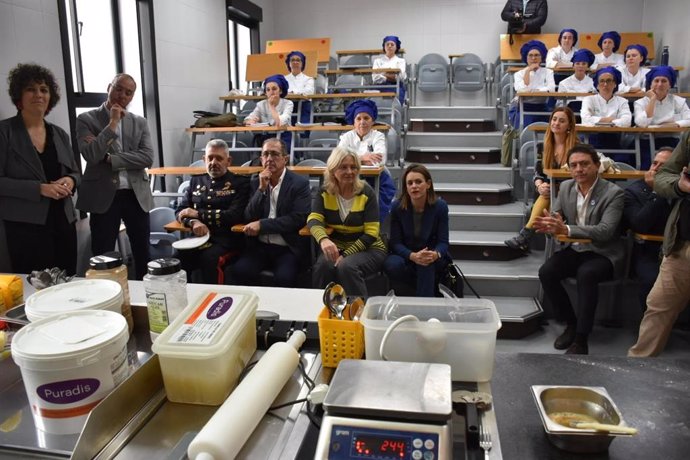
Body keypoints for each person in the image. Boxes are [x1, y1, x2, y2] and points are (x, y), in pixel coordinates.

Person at [536, 144, 625, 355]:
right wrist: (552, 225)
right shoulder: (566, 187)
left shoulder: (614, 193)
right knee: (546, 272)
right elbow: (556, 218)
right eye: (574, 165)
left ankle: (581, 338)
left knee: (587, 274)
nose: (579, 169)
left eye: (584, 164)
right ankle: (571, 323)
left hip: (603, 252)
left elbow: (605, 232)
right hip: (575, 248)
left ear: (596, 166)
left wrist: (565, 228)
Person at [0, 63, 80, 275]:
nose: (38, 95)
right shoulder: (4, 132)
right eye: (31, 89)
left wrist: (70, 181)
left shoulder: (59, 134)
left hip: (63, 221)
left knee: (67, 279)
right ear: (19, 96)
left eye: (44, 90)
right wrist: (39, 189)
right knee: (37, 287)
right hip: (25, 226)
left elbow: (75, 172)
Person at [76, 73, 153, 279]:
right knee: (103, 254)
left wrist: (112, 159)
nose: (122, 95)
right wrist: (111, 124)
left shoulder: (140, 122)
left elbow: (147, 157)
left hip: (136, 194)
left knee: (142, 251)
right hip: (103, 195)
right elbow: (92, 155)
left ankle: (145, 298)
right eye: (118, 89)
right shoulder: (86, 119)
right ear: (109, 87)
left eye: (129, 93)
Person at [629, 133, 690, 357]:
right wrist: (680, 186)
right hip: (680, 246)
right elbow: (663, 176)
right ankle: (638, 369)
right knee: (657, 309)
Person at [229, 138, 311, 287]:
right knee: (240, 271)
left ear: (285, 159)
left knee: (284, 278)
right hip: (259, 247)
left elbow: (297, 219)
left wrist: (263, 225)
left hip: (287, 247)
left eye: (274, 154)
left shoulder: (299, 184)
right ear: (261, 159)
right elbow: (248, 216)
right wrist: (261, 190)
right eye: (265, 154)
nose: (269, 159)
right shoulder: (255, 182)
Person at [307, 147, 387, 298]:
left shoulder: (366, 191)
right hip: (337, 246)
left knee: (346, 266)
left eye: (353, 167)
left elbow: (371, 233)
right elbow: (314, 219)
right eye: (343, 167)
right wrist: (323, 239)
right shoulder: (324, 191)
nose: (350, 171)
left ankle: (358, 312)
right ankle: (320, 309)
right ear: (333, 169)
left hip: (370, 248)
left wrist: (345, 255)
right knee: (322, 266)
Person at [175, 139, 249, 284]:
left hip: (227, 241)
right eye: (210, 158)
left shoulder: (240, 183)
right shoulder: (196, 181)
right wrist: (193, 222)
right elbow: (181, 210)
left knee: (209, 259)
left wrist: (198, 214)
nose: (213, 162)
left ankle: (215, 299)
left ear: (228, 161)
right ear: (204, 159)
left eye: (219, 158)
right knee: (178, 258)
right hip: (197, 239)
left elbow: (234, 216)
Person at [505, 107, 579, 252]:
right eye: (554, 119)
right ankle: (530, 239)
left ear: (569, 126)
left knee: (549, 196)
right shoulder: (544, 146)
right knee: (547, 194)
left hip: (572, 192)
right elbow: (538, 173)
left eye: (562, 121)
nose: (556, 123)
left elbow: (579, 177)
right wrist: (539, 185)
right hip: (549, 192)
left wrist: (555, 188)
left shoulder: (577, 148)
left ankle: (525, 236)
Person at [383, 164, 450, 297]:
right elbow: (395, 243)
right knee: (392, 264)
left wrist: (435, 254)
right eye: (410, 183)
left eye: (418, 182)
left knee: (426, 264)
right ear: (406, 187)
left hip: (429, 254)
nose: (414, 186)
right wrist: (413, 256)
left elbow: (443, 242)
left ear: (428, 184)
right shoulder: (397, 207)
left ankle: (424, 307)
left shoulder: (440, 207)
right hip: (406, 254)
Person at [623, 147, 672, 314]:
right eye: (654, 163)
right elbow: (639, 225)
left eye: (663, 166)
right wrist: (658, 192)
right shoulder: (634, 191)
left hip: (680, 250)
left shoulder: (684, 190)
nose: (655, 168)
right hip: (649, 251)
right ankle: (650, 330)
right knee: (651, 279)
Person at [337, 99, 396, 222]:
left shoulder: (378, 135)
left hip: (377, 180)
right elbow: (339, 159)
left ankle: (372, 231)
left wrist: (351, 160)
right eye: (358, 119)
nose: (362, 122)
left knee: (376, 204)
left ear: (372, 121)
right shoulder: (346, 137)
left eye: (366, 118)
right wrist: (363, 158)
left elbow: (379, 161)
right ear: (353, 122)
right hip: (350, 178)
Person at [633, 66, 690, 169]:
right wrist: (653, 99)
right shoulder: (640, 102)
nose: (659, 84)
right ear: (650, 83)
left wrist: (675, 124)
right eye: (656, 81)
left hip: (671, 139)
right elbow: (641, 123)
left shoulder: (678, 101)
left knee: (676, 166)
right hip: (646, 140)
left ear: (670, 85)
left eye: (664, 81)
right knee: (647, 165)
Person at [512, 40, 555, 128]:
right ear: (526, 57)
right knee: (524, 126)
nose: (533, 58)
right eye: (530, 55)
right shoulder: (519, 74)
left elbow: (551, 89)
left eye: (536, 55)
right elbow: (521, 90)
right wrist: (528, 71)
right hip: (524, 107)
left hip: (542, 107)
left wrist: (534, 90)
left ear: (541, 57)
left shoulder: (548, 72)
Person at [284, 51, 314, 130]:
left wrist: (293, 93)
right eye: (292, 60)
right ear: (289, 63)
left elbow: (309, 92)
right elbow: (281, 91)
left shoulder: (308, 79)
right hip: (287, 106)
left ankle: (304, 139)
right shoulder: (283, 79)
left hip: (303, 105)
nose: (295, 62)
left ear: (302, 63)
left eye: (298, 60)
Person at [372, 35, 406, 104]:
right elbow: (375, 78)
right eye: (387, 44)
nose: (389, 46)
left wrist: (383, 73)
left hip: (396, 87)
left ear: (396, 47)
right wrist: (390, 75)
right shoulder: (377, 61)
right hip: (379, 87)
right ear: (384, 47)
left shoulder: (401, 61)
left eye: (392, 44)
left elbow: (401, 77)